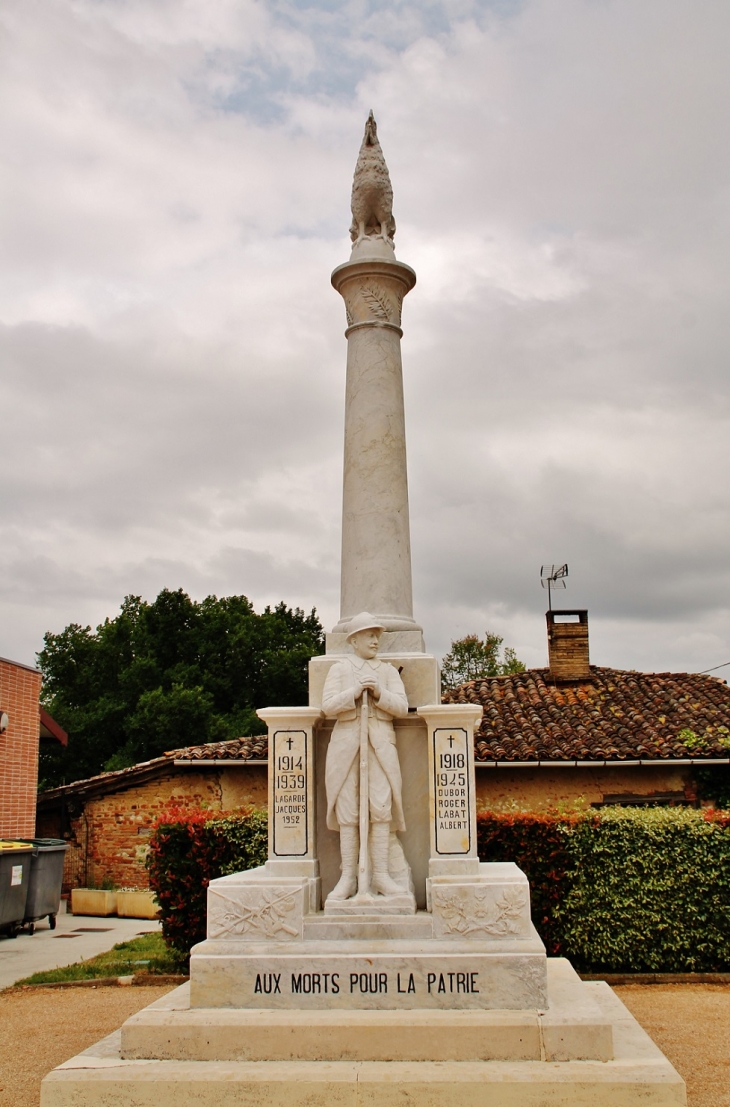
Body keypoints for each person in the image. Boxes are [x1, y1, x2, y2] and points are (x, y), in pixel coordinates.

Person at [323, 612, 409, 899]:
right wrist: (354, 692)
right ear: (354, 640)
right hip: (347, 745)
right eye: (369, 635)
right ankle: (348, 877)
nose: (375, 640)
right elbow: (328, 707)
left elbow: (401, 707)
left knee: (380, 808)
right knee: (348, 810)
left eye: (377, 635)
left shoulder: (385, 670)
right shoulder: (339, 668)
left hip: (380, 744)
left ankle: (382, 876)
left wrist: (379, 691)